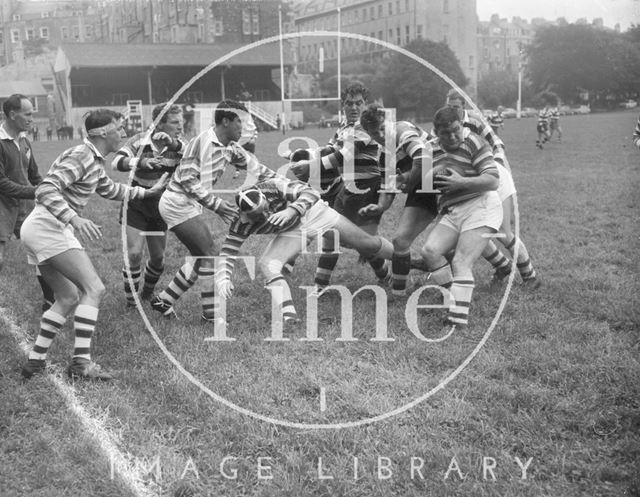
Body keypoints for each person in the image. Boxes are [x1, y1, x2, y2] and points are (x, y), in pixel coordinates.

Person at [20, 109, 167, 380]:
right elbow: (45, 189)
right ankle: (81, 364)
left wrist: (148, 192)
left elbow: (110, 188)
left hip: (39, 228)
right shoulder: (82, 155)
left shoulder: (94, 160)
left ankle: (35, 361)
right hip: (48, 227)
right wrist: (73, 219)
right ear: (101, 133)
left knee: (67, 297)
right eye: (119, 128)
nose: (124, 132)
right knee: (94, 289)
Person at [151, 100, 276, 320]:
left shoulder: (231, 147)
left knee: (203, 256)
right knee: (209, 254)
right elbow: (188, 180)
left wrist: (286, 183)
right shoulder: (204, 142)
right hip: (176, 203)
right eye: (241, 122)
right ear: (225, 121)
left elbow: (257, 169)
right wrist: (217, 206)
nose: (244, 128)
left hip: (187, 203)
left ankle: (165, 299)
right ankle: (210, 315)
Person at [214, 176, 393, 326]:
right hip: (293, 231)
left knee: (367, 244)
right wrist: (223, 278)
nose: (264, 217)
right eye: (256, 216)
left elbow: (311, 192)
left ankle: (402, 259)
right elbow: (228, 250)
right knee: (268, 264)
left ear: (266, 198)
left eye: (265, 210)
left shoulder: (273, 187)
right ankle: (290, 318)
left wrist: (291, 210)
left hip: (314, 214)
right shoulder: (240, 222)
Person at [417, 106, 502, 330]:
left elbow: (493, 180)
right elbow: (426, 181)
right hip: (453, 210)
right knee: (430, 252)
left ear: (461, 126)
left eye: (456, 130)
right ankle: (453, 298)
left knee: (461, 261)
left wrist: (460, 183)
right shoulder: (430, 150)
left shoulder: (474, 142)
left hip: (481, 204)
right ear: (436, 132)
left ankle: (457, 319)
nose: (453, 136)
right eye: (446, 133)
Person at [299, 83, 390, 291]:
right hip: (348, 188)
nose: (354, 108)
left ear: (365, 104)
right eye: (349, 103)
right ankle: (385, 275)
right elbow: (331, 148)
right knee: (346, 236)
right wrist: (307, 156)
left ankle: (320, 286)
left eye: (359, 103)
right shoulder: (344, 126)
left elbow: (343, 156)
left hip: (367, 189)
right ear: (343, 106)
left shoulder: (366, 125)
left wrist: (311, 168)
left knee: (349, 237)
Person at [357, 105, 438, 296]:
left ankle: (506, 267)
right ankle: (398, 295)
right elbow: (389, 187)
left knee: (463, 232)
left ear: (389, 122)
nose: (381, 134)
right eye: (375, 132)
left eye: (383, 128)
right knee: (400, 241)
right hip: (424, 188)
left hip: (448, 180)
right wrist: (379, 207)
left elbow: (424, 158)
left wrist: (408, 180)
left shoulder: (403, 131)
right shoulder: (384, 155)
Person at [112, 103, 185, 307]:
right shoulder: (139, 140)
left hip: (161, 205)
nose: (180, 126)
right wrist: (141, 163)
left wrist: (174, 144)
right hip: (136, 201)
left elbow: (193, 156)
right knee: (134, 253)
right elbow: (116, 162)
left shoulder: (179, 145)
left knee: (158, 259)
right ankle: (131, 303)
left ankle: (147, 292)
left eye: (181, 122)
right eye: (174, 122)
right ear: (159, 124)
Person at [0, 94, 54, 311]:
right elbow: (1, 183)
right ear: (13, 115)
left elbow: (34, 175)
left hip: (25, 208)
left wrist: (49, 190)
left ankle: (49, 301)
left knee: (43, 252)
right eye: (28, 114)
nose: (33, 118)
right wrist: (36, 191)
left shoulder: (24, 140)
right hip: (2, 207)